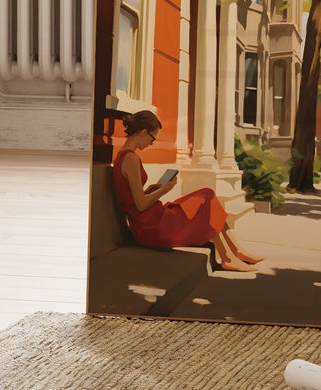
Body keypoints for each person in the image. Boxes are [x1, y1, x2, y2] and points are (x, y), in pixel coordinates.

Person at [111, 110, 262, 271]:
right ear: (143, 132)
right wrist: (165, 189)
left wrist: (149, 189)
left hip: (152, 219)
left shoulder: (123, 156)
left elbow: (134, 198)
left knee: (207, 195)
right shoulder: (131, 159)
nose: (152, 143)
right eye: (152, 138)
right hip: (151, 227)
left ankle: (234, 252)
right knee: (205, 203)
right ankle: (228, 257)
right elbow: (140, 205)